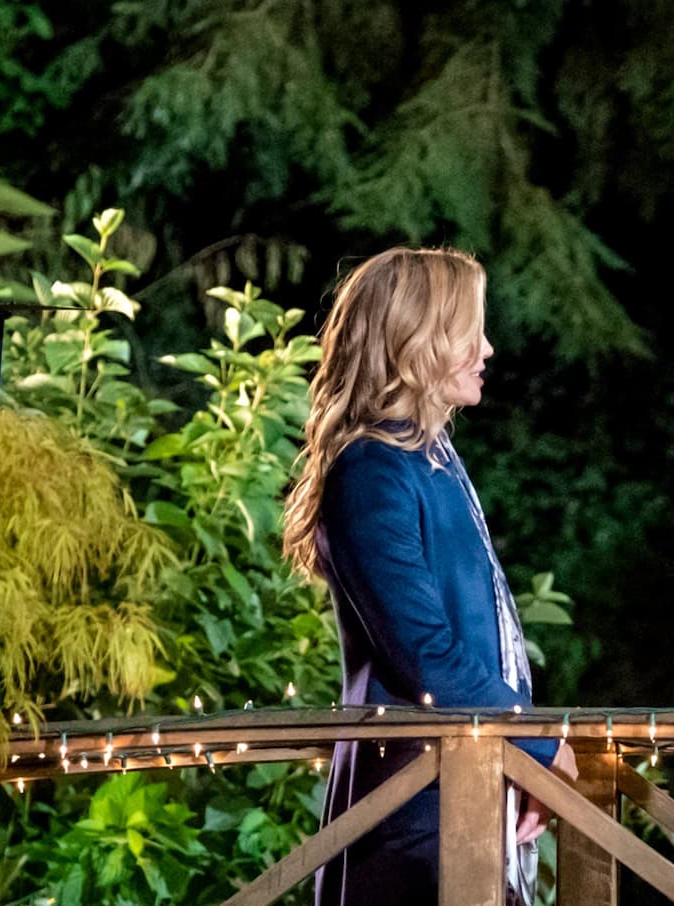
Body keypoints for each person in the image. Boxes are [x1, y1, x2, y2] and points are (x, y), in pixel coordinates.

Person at [281, 247, 577, 906]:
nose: (488, 349)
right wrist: (538, 741)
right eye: (469, 332)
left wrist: (522, 751)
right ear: (415, 341)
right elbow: (424, 654)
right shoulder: (372, 470)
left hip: (457, 799)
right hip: (411, 819)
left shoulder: (428, 460)